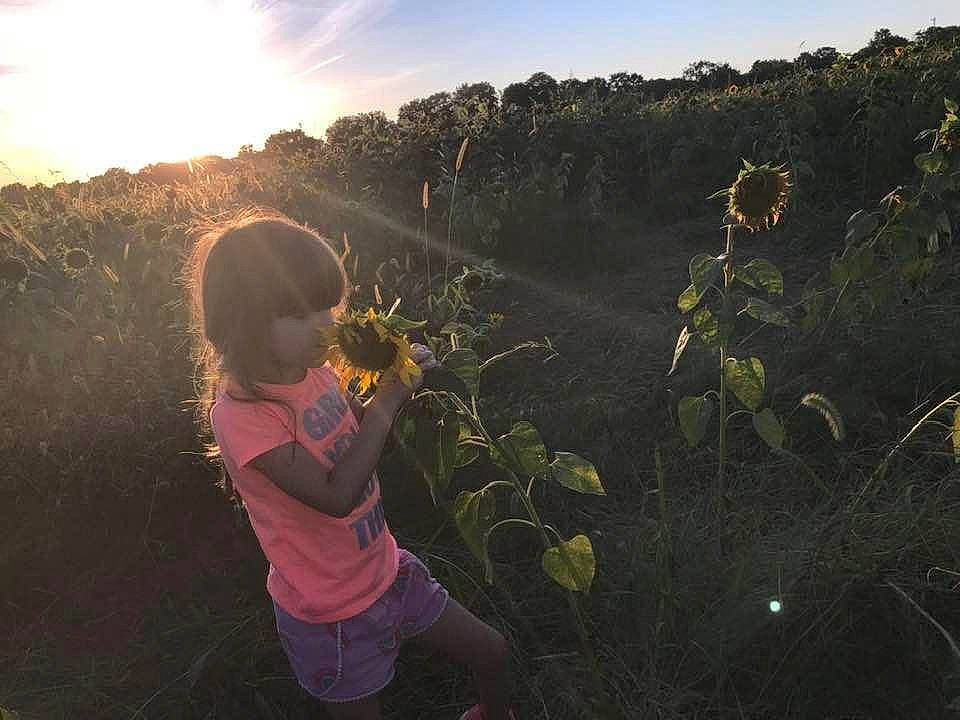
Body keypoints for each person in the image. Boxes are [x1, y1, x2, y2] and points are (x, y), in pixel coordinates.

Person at [183, 207, 516, 720]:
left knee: (492, 651)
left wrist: (395, 380)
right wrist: (385, 403)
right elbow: (336, 495)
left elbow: (351, 433)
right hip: (329, 615)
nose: (326, 326)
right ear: (245, 323)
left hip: (387, 568)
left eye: (329, 308)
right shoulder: (244, 415)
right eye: (301, 313)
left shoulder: (315, 371)